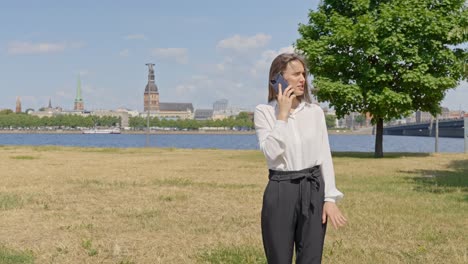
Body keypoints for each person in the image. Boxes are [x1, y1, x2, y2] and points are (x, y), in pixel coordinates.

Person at [254, 53, 347, 264]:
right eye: (296, 74)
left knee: (311, 258)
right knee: (279, 258)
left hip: (313, 188)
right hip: (280, 189)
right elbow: (271, 152)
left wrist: (330, 199)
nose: (302, 79)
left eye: (304, 74)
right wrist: (282, 117)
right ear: (278, 78)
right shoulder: (264, 112)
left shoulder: (315, 112)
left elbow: (324, 155)